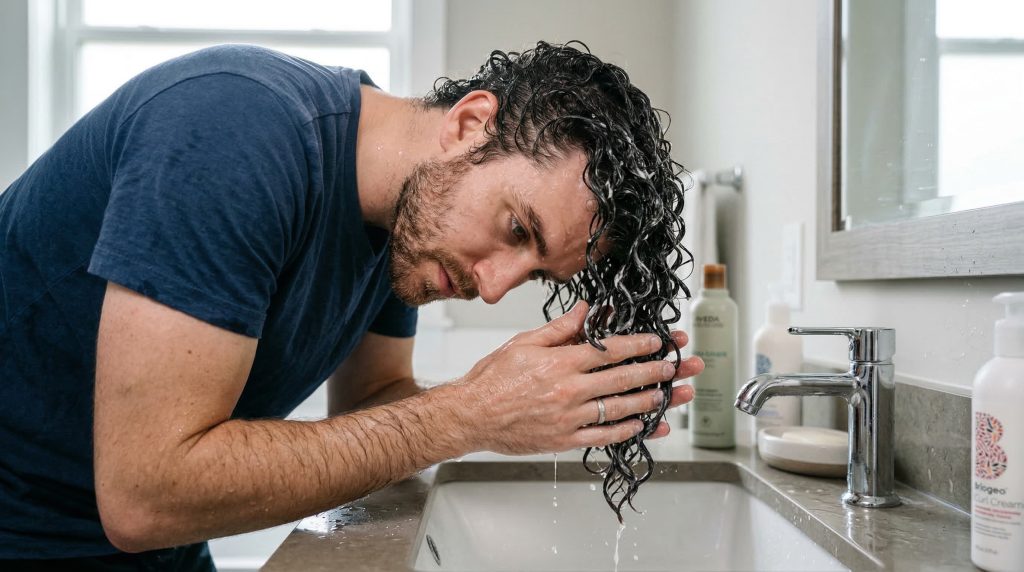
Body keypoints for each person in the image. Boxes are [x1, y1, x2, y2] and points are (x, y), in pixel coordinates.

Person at [0, 41, 704, 569]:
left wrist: (526, 403)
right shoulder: (234, 134)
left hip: (164, 545)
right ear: (470, 123)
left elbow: (374, 397)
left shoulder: (406, 222)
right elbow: (145, 494)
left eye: (535, 274)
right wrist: (470, 413)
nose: (494, 286)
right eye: (518, 230)